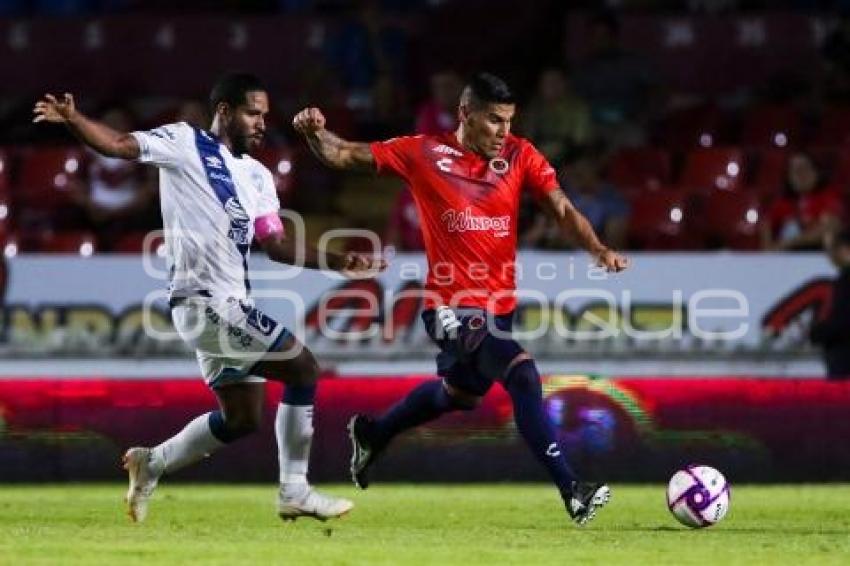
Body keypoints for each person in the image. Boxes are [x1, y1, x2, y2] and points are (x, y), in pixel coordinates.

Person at [33, 73, 385, 523]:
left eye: (265, 115)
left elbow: (274, 244)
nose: (262, 123)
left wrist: (338, 261)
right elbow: (119, 144)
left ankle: (151, 462)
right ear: (224, 111)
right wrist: (73, 118)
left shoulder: (257, 176)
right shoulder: (183, 143)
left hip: (229, 305)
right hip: (204, 302)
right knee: (303, 368)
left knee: (241, 417)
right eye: (252, 113)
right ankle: (294, 490)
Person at [293, 72, 629, 526]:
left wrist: (598, 249)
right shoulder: (423, 152)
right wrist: (317, 133)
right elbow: (343, 153)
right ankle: (574, 490)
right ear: (466, 114)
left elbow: (562, 208)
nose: (504, 132)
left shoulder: (520, 154)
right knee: (524, 376)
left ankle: (374, 432)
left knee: (459, 395)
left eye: (509, 120)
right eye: (494, 121)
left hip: (499, 309)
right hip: (451, 307)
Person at [761, 152, 843, 251]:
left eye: (805, 169)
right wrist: (769, 250)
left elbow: (831, 227)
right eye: (795, 171)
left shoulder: (829, 197)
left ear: (816, 172)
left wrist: (790, 242)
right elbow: (766, 226)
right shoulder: (781, 203)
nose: (801, 175)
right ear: (788, 177)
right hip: (787, 260)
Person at [810, 228, 850, 379]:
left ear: (845, 250)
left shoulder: (846, 281)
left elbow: (844, 320)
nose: (830, 256)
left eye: (833, 250)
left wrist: (817, 333)